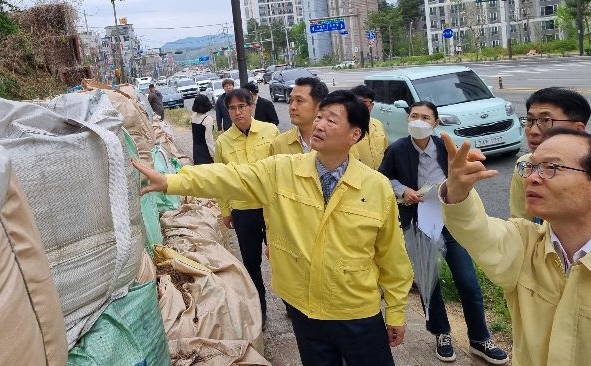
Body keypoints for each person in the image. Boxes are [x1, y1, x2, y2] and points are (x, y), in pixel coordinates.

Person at [132, 90, 413, 366]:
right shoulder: (283, 170)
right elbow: (230, 176)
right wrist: (171, 181)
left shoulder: (376, 187)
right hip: (304, 309)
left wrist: (396, 312)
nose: (319, 124)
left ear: (354, 135)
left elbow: (392, 255)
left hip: (356, 311)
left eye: (331, 120)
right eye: (320, 117)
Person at [440, 128, 591, 366]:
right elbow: (474, 229)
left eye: (551, 167)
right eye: (530, 167)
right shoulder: (524, 243)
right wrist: (457, 191)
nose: (531, 178)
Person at [378, 101, 508, 364]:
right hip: (418, 224)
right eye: (414, 116)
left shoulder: (446, 149)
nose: (419, 121)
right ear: (408, 119)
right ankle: (442, 334)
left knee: (468, 282)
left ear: (435, 123)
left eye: (425, 117)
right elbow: (382, 177)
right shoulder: (397, 149)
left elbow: (462, 175)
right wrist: (403, 190)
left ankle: (480, 339)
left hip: (451, 223)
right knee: (430, 283)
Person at [215, 88, 279, 324]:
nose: (238, 112)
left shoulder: (270, 132)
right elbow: (220, 179)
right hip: (243, 211)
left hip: (272, 207)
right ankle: (259, 309)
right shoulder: (223, 142)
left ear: (252, 107)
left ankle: (291, 306)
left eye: (242, 106)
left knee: (281, 258)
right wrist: (225, 211)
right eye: (232, 108)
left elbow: (283, 168)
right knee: (251, 263)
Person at [509, 87, 590, 222]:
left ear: (578, 129)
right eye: (530, 120)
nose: (533, 131)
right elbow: (521, 224)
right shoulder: (526, 166)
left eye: (546, 121)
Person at [270, 77, 328, 155]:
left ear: (320, 107)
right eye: (291, 100)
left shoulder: (336, 142)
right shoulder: (279, 144)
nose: (292, 107)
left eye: (300, 101)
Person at [350, 85, 388, 170]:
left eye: (370, 102)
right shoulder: (346, 128)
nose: (367, 105)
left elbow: (386, 152)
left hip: (378, 175)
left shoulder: (378, 125)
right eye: (363, 102)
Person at [191, 94, 215, 165]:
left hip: (196, 148)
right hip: (205, 149)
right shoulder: (208, 119)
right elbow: (209, 139)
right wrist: (213, 154)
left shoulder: (193, 116)